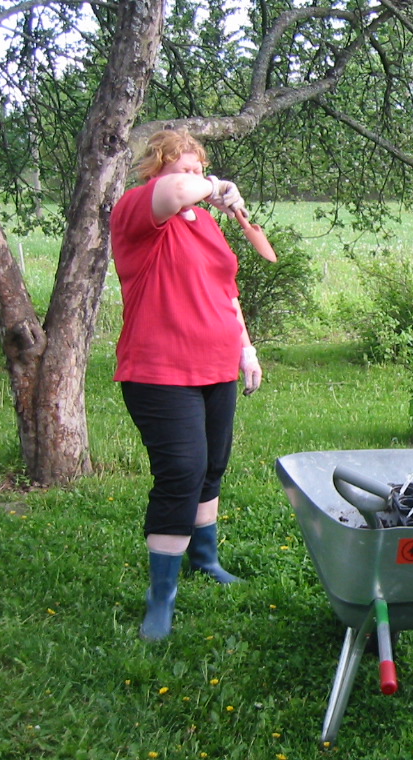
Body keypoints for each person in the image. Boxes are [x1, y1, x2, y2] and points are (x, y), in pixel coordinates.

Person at [110, 129, 263, 641]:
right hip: (159, 370)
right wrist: (215, 185)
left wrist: (245, 348)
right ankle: (162, 597)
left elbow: (226, 289)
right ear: (156, 171)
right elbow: (176, 193)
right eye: (184, 169)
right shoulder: (140, 211)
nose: (194, 179)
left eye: (200, 169)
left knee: (211, 465)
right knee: (181, 471)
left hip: (217, 365)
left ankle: (205, 559)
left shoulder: (206, 224)